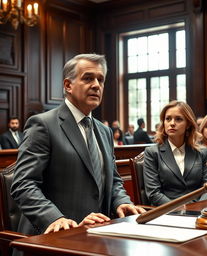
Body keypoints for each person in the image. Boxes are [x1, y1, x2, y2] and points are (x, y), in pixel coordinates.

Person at [11, 54, 145, 238]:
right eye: (88, 78)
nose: (96, 85)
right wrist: (54, 218)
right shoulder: (43, 124)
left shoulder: (104, 131)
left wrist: (120, 201)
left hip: (98, 234)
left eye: (100, 80)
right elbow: (23, 184)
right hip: (53, 237)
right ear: (68, 85)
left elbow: (113, 179)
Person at [143, 101, 207, 206]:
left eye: (178, 119)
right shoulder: (152, 153)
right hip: (167, 213)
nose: (172, 123)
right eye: (168, 119)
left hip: (199, 210)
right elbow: (154, 194)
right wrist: (180, 210)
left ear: (188, 124)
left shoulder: (202, 152)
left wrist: (197, 207)